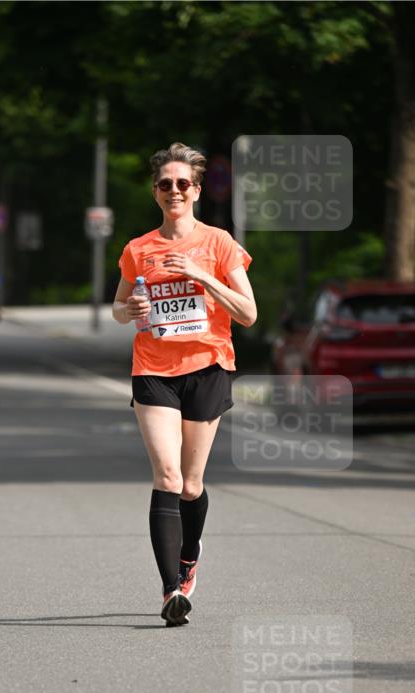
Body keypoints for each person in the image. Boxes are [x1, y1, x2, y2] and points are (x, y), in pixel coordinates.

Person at [113, 142, 256, 626]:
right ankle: (170, 590)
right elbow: (119, 307)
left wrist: (202, 275)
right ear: (156, 193)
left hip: (208, 366)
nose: (173, 191)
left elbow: (249, 313)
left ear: (195, 190)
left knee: (192, 485)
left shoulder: (219, 243)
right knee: (167, 478)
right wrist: (127, 311)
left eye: (182, 184)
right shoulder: (138, 249)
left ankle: (190, 553)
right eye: (164, 185)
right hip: (153, 368)